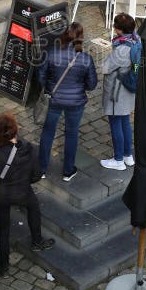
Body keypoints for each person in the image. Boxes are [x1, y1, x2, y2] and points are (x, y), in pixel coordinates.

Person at [0, 113, 54, 277]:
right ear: (16, 130)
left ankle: (3, 266)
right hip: (23, 191)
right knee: (34, 208)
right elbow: (36, 175)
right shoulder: (30, 149)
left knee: (3, 230)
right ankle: (37, 240)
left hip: (2, 195)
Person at [37, 22, 97, 182]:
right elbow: (92, 85)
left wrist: (49, 87)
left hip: (54, 99)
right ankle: (68, 171)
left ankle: (42, 169)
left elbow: (41, 76)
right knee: (71, 134)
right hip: (76, 103)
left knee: (48, 132)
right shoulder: (86, 59)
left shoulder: (51, 53)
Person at [100, 13, 139, 171]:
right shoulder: (137, 40)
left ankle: (118, 160)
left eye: (115, 26)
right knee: (125, 123)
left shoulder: (122, 49)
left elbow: (105, 67)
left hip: (117, 93)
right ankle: (128, 155)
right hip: (128, 91)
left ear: (120, 30)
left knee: (116, 124)